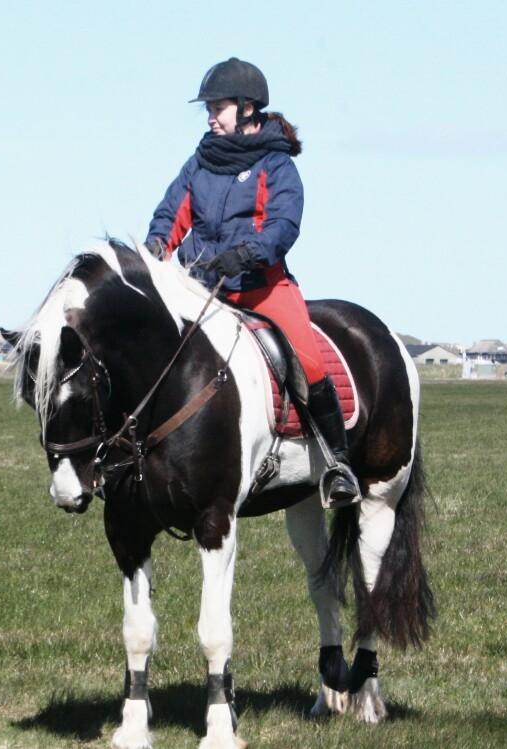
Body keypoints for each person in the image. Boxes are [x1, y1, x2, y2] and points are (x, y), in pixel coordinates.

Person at [145, 57, 360, 506]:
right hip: (202, 286)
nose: (209, 116)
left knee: (309, 359)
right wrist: (156, 251)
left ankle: (338, 466)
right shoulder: (199, 163)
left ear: (246, 107)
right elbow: (171, 215)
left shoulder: (276, 166)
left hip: (262, 287)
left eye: (217, 107)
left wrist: (244, 254)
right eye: (208, 108)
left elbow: (283, 225)